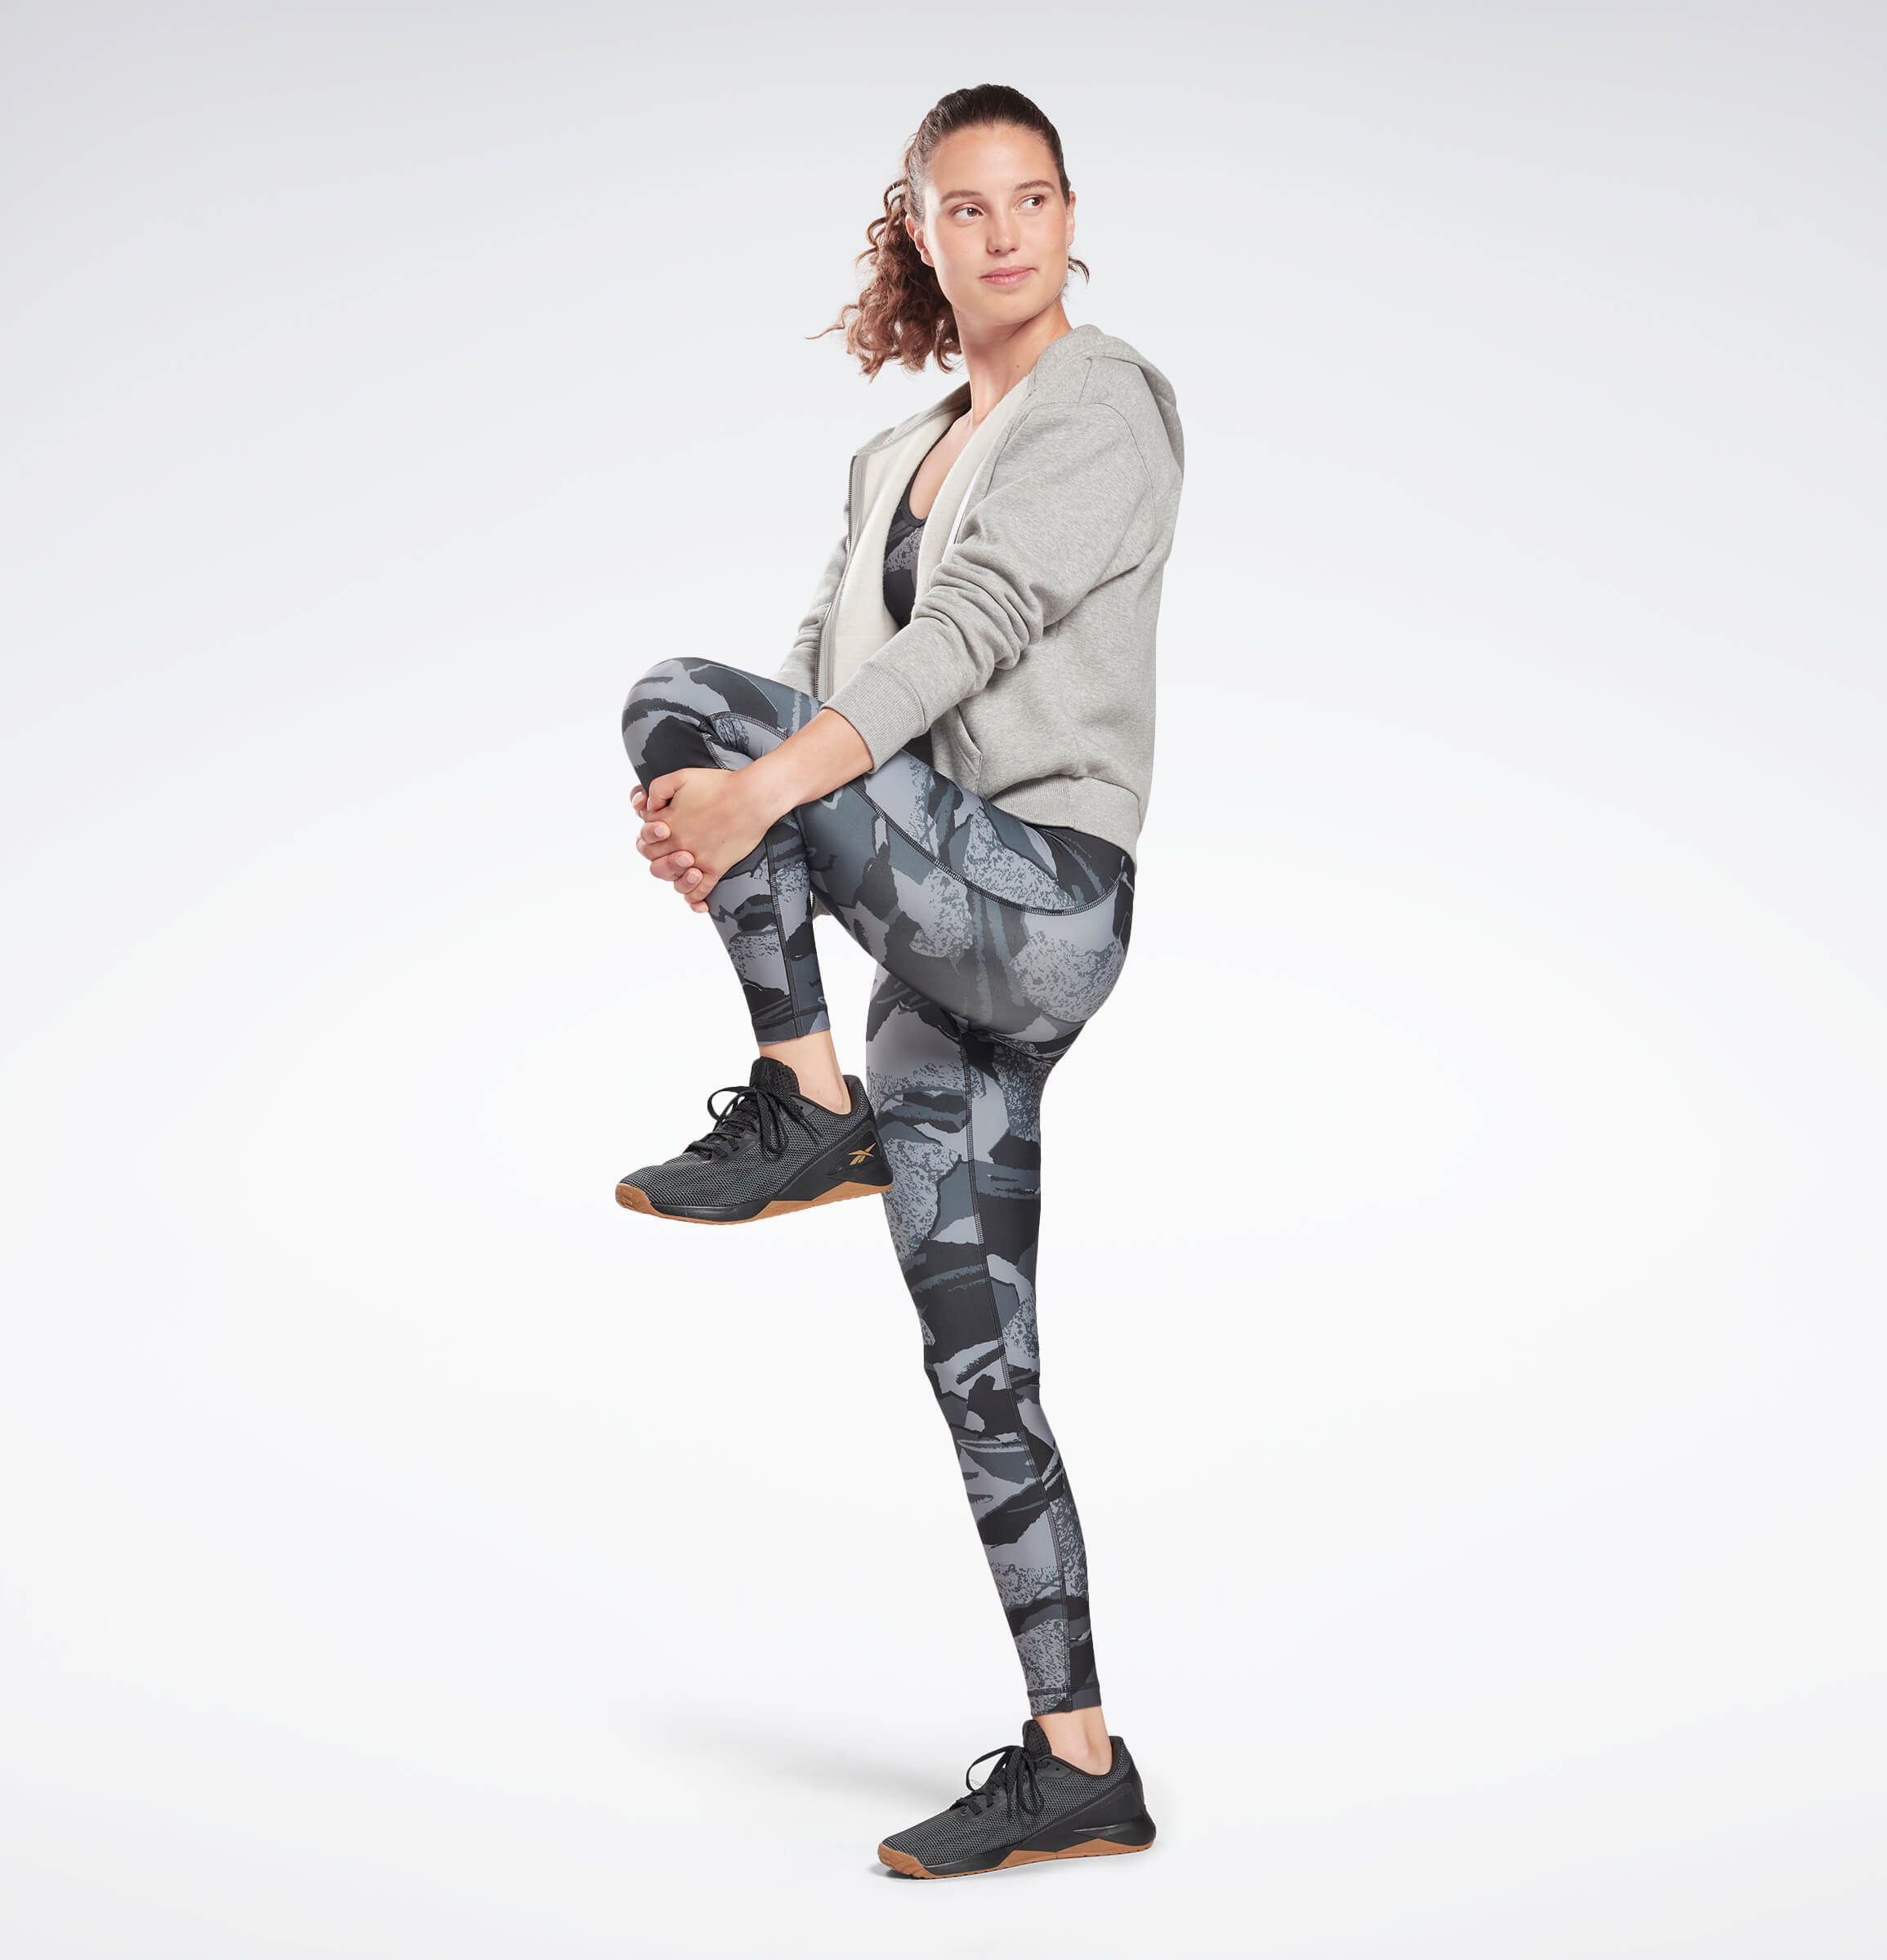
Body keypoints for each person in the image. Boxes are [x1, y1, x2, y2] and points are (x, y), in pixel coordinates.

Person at [617, 82, 1182, 1879]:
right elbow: (818, 670)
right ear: (921, 233)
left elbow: (971, 633)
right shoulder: (893, 458)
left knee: (679, 701)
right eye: (968, 207)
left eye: (1034, 199)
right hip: (938, 950)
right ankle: (1079, 1761)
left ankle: (807, 1100)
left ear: (1071, 217)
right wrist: (717, 823)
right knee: (978, 1364)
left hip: (1041, 897)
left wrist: (752, 786)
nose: (1005, 234)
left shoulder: (1105, 403)